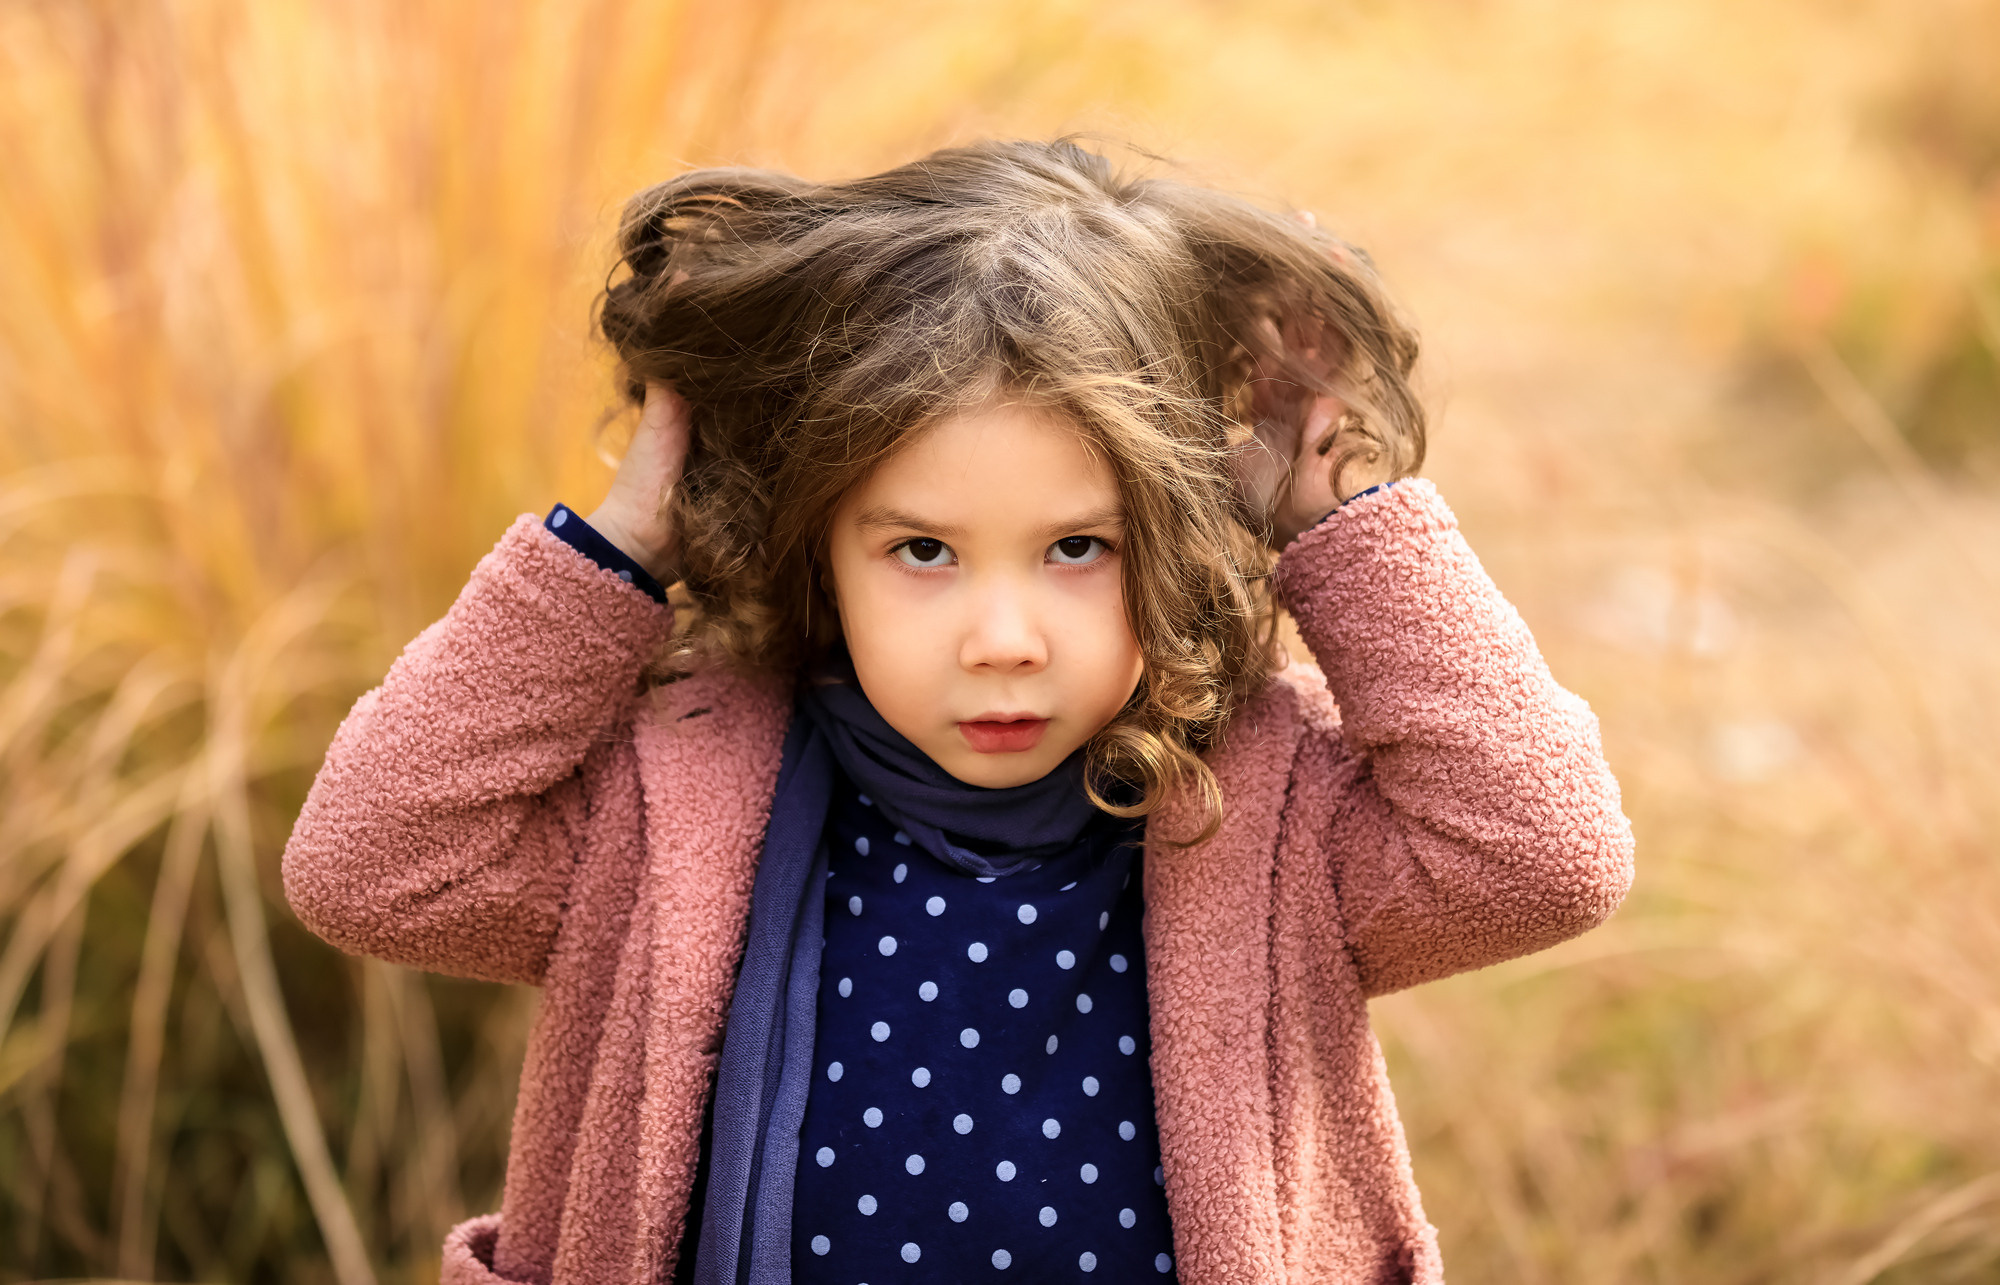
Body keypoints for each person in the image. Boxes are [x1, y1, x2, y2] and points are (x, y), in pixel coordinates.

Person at [283, 138, 1634, 1285]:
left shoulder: (1269, 819)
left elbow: (1540, 852)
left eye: (1080, 546)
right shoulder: (676, 812)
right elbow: (376, 864)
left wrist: (1344, 528)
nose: (1002, 642)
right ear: (821, 550)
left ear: (1183, 536)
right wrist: (618, 549)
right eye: (922, 551)